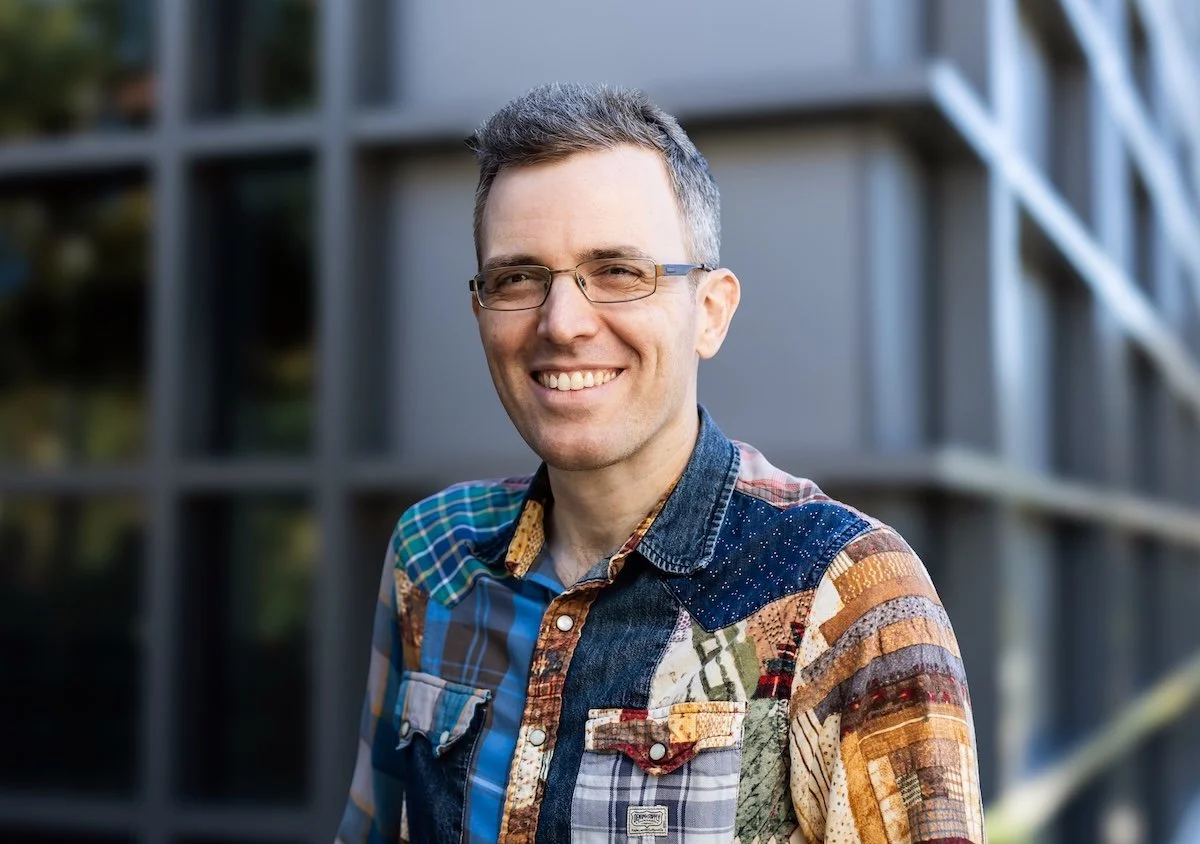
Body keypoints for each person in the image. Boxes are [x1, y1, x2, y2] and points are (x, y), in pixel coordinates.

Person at [337, 82, 985, 844]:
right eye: (519, 278)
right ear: (481, 310)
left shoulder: (847, 595)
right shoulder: (434, 553)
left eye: (617, 271)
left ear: (710, 311)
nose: (563, 323)